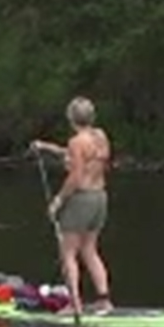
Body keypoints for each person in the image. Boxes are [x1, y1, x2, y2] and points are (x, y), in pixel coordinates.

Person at [29, 96, 113, 315]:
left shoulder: (76, 142)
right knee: (90, 250)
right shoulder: (100, 136)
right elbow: (85, 157)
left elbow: (75, 176)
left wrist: (58, 201)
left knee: (68, 252)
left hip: (81, 199)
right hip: (100, 198)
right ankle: (104, 300)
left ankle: (73, 305)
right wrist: (47, 147)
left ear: (71, 118)